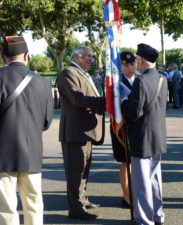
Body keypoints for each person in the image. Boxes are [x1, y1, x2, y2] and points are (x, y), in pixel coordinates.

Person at [0, 36, 53, 225]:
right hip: (32, 153)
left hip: (3, 155)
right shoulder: (43, 83)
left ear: (3, 56)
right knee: (34, 204)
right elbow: (46, 123)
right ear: (27, 56)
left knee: (6, 208)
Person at [56, 46, 106, 220]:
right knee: (75, 172)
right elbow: (77, 99)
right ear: (76, 56)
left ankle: (82, 200)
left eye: (92, 57)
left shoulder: (83, 74)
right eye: (87, 56)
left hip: (85, 132)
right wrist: (106, 102)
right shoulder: (68, 73)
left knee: (83, 171)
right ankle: (76, 208)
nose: (91, 59)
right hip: (75, 132)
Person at [121, 43, 167, 225]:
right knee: (155, 179)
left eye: (137, 60)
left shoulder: (141, 81)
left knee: (142, 183)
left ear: (140, 60)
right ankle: (158, 215)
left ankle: (144, 219)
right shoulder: (162, 78)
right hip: (158, 136)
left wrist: (124, 101)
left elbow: (134, 113)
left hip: (142, 137)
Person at [110, 51, 136, 207]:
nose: (130, 68)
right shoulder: (116, 83)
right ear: (120, 66)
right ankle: (127, 197)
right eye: (126, 65)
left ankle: (134, 193)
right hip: (121, 128)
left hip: (136, 129)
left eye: (133, 64)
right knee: (126, 163)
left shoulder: (138, 80)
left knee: (134, 163)